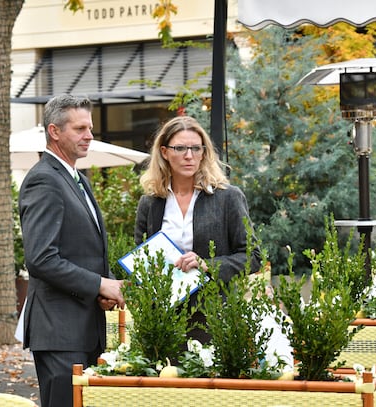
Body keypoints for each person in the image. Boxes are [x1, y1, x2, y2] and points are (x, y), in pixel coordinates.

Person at [18, 94, 125, 407]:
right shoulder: (43, 179)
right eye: (80, 128)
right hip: (58, 330)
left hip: (83, 328)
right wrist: (99, 284)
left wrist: (102, 288)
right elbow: (41, 258)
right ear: (54, 131)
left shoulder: (78, 179)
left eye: (89, 128)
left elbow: (82, 252)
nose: (89, 135)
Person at [134, 115, 261, 344]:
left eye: (196, 148)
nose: (189, 155)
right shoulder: (150, 203)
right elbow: (141, 258)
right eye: (180, 148)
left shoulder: (227, 198)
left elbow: (253, 257)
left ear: (204, 152)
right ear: (164, 152)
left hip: (214, 319)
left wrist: (206, 264)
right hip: (163, 320)